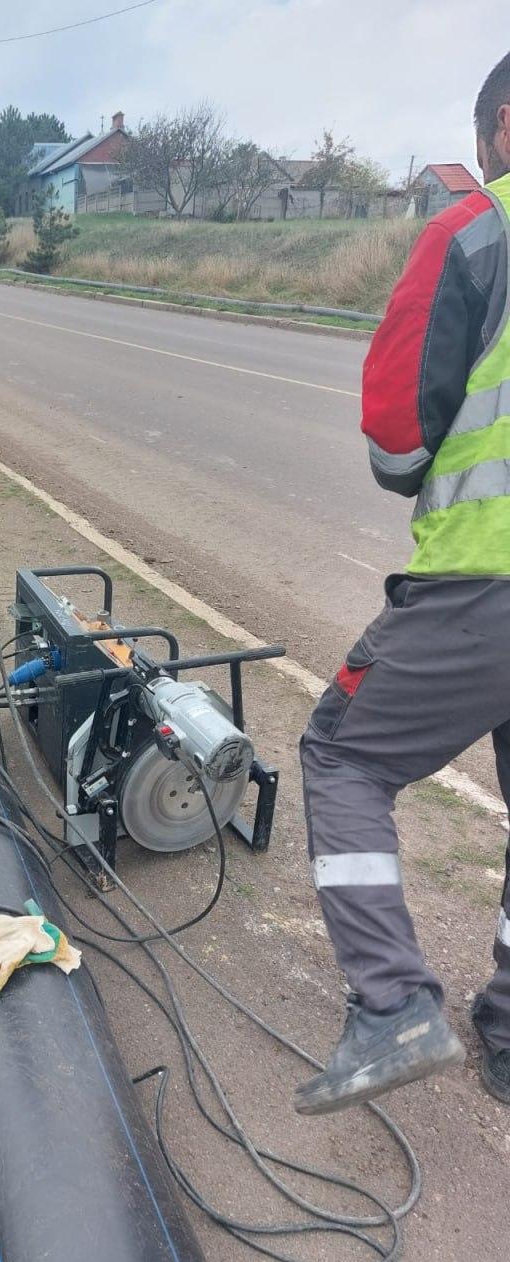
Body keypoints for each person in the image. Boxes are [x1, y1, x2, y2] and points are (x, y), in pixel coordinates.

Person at [295, 53, 510, 1116]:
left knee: (341, 751)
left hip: (486, 581)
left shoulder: (475, 229)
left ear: (503, 127)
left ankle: (391, 1004)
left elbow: (395, 434)